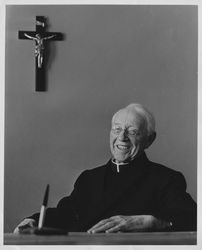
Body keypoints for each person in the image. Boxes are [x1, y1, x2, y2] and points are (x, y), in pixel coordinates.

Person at [14, 103, 197, 233]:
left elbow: (192, 218)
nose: (122, 138)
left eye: (132, 132)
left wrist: (149, 221)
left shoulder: (166, 179)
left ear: (149, 139)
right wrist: (35, 220)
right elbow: (67, 213)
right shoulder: (89, 179)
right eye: (117, 129)